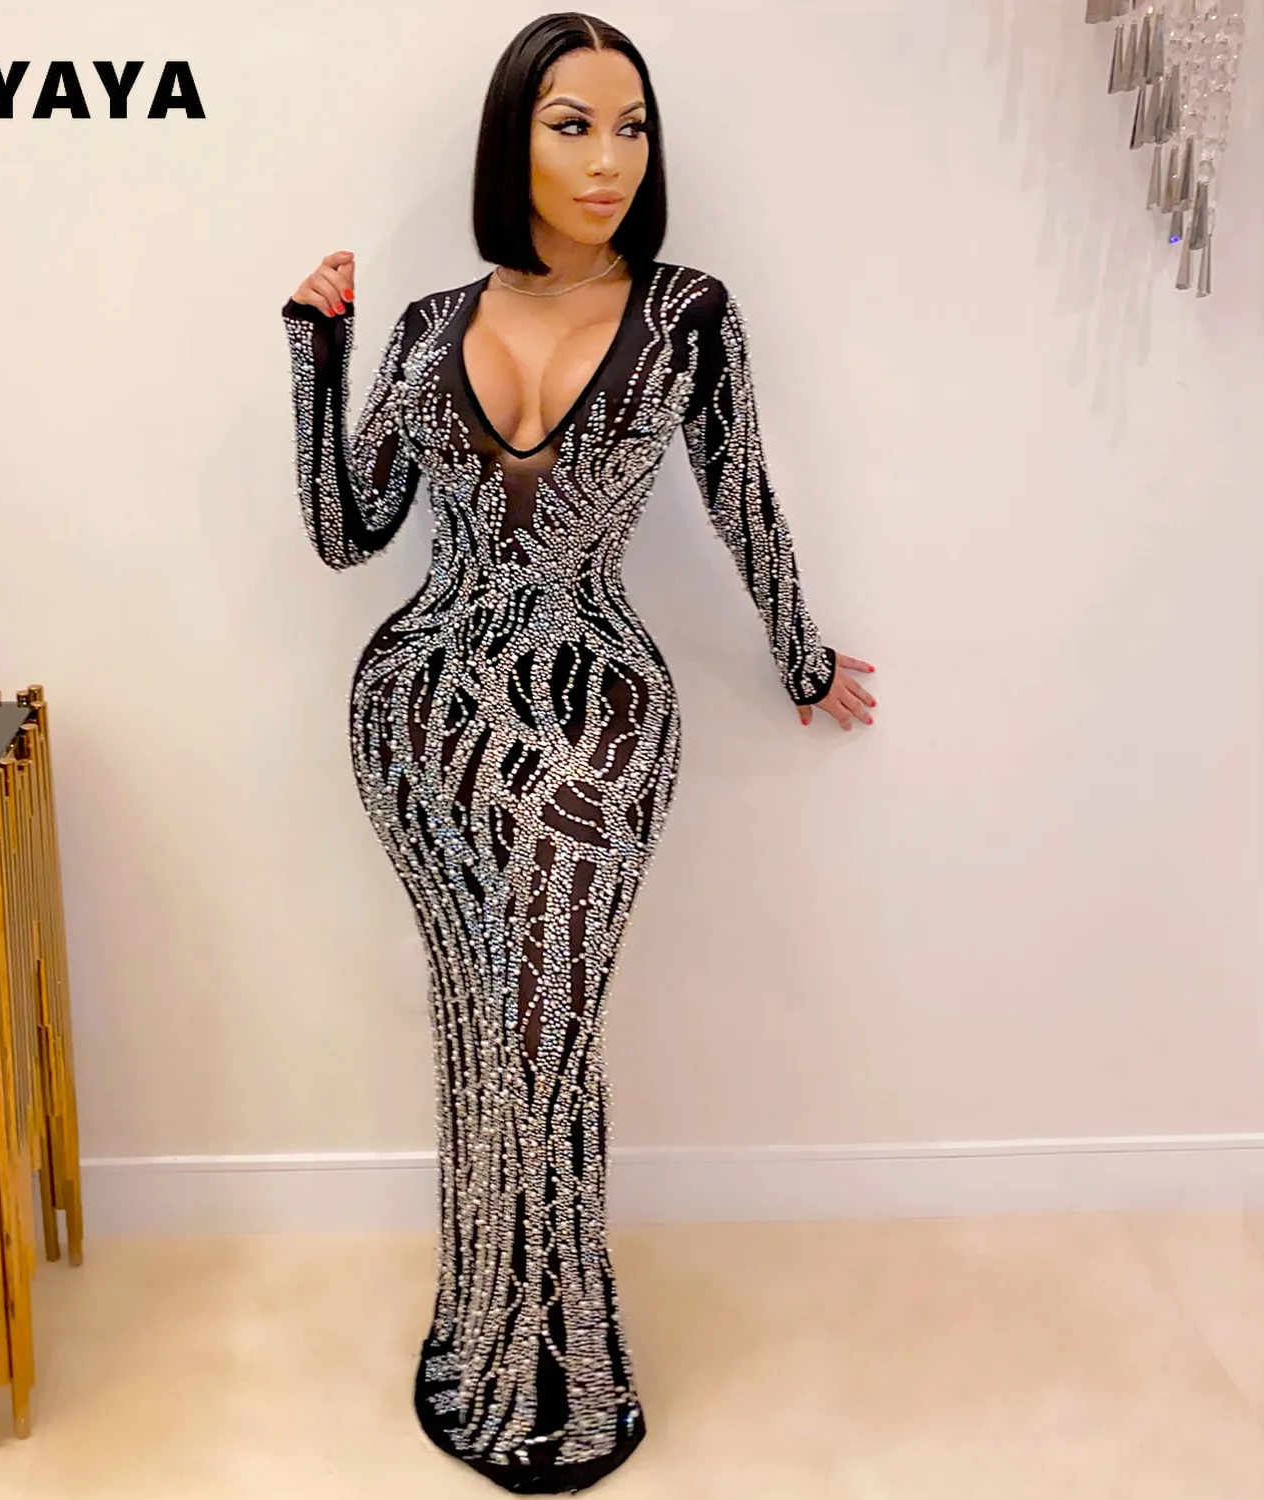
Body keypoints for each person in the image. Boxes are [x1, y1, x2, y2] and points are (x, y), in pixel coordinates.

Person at [282, 12, 877, 1492]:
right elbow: (349, 533)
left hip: (597, 715)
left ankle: (564, 1355)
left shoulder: (687, 314)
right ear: (515, 142)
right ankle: (480, 1328)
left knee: (545, 1038)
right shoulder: (427, 324)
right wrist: (314, 351)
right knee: (478, 1028)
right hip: (421, 719)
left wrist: (800, 653)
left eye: (631, 127)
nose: (611, 159)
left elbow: (743, 498)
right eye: (573, 126)